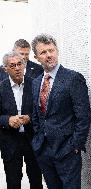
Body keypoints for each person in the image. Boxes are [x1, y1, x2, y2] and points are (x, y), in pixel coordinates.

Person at [31, 34, 91, 189]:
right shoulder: (36, 82)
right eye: (43, 52)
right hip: (44, 151)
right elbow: (37, 114)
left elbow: (83, 116)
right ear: (37, 57)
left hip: (67, 152)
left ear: (57, 51)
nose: (49, 55)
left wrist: (75, 145)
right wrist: (38, 139)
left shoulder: (73, 78)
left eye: (51, 50)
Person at [0, 51, 43, 189]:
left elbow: (43, 110)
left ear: (24, 65)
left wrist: (30, 117)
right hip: (10, 141)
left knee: (36, 180)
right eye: (12, 65)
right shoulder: (1, 88)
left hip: (32, 140)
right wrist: (7, 120)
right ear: (5, 68)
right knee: (13, 182)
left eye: (20, 64)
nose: (17, 68)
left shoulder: (36, 84)